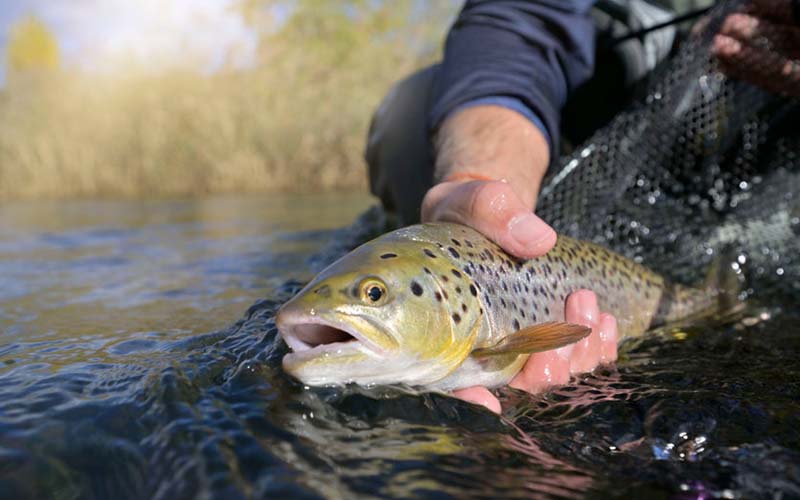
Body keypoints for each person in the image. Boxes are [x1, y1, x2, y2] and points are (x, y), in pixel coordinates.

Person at [365, 0, 800, 413]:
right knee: (411, 113)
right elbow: (520, 17)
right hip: (612, 95)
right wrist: (477, 181)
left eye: (374, 295)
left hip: (775, 130)